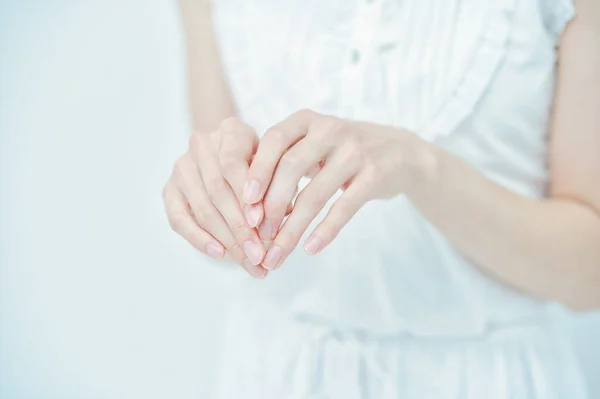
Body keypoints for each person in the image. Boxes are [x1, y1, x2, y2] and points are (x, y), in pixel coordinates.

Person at [163, 0, 599, 397]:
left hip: (488, 382)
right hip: (274, 374)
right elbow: (236, 243)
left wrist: (421, 167)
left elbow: (589, 274)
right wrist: (212, 198)